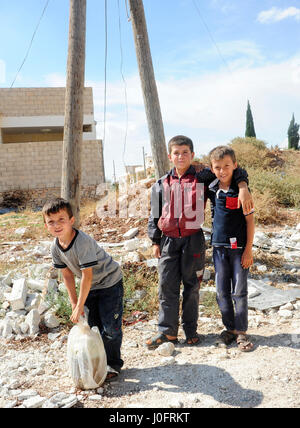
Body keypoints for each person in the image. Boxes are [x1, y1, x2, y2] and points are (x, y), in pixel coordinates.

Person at [146, 135, 253, 349]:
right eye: (176, 153)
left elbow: (231, 170)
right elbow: (155, 213)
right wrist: (155, 240)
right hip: (168, 241)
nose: (181, 156)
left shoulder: (203, 177)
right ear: (170, 156)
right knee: (166, 286)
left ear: (192, 155)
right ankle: (167, 332)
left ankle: (191, 330)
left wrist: (242, 186)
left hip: (193, 240)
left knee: (192, 286)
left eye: (185, 152)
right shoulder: (161, 183)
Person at [42, 197, 124, 379]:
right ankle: (97, 362)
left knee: (110, 328)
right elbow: (67, 275)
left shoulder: (82, 242)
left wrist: (80, 305)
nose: (56, 225)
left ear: (72, 220)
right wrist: (74, 303)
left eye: (61, 220)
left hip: (109, 282)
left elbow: (87, 275)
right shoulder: (55, 247)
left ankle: (113, 364)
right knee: (92, 326)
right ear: (46, 225)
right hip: (91, 287)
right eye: (51, 222)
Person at [208, 145, 255, 352]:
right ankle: (229, 329)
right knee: (221, 292)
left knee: (239, 291)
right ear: (212, 168)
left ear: (234, 165)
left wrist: (248, 251)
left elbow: (250, 222)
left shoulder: (242, 191)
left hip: (239, 250)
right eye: (217, 167)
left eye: (227, 166)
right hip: (218, 248)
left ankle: (241, 332)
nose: (222, 170)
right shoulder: (211, 188)